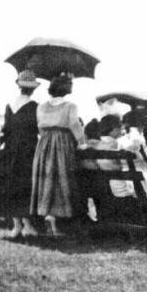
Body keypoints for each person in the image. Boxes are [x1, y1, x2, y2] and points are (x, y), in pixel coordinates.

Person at [30, 74, 86, 237]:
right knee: (61, 177)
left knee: (46, 178)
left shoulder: (41, 107)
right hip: (62, 143)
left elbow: (40, 127)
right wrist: (81, 142)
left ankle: (48, 213)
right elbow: (74, 124)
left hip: (45, 144)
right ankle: (60, 217)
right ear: (66, 88)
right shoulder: (70, 106)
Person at [0, 70, 40, 239]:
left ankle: (16, 226)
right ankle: (27, 226)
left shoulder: (10, 105)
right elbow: (37, 129)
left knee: (11, 186)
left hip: (10, 150)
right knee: (26, 186)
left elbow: (6, 129)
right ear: (33, 89)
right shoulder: (35, 106)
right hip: (27, 150)